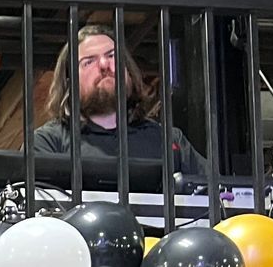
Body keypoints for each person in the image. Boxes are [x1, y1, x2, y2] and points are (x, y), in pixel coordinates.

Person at [33, 24, 209, 180]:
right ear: (69, 82)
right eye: (88, 62)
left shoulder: (168, 140)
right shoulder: (48, 143)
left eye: (111, 56)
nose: (104, 64)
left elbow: (218, 198)